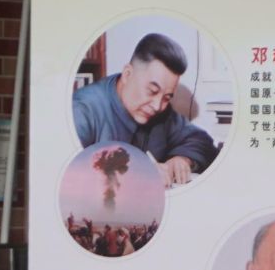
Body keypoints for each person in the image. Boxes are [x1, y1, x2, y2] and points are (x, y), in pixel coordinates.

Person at [72, 33, 218, 188]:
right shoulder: (82, 111)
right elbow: (66, 176)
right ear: (127, 74)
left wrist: (183, 159)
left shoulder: (162, 113)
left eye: (167, 97)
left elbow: (202, 141)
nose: (157, 106)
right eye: (152, 91)